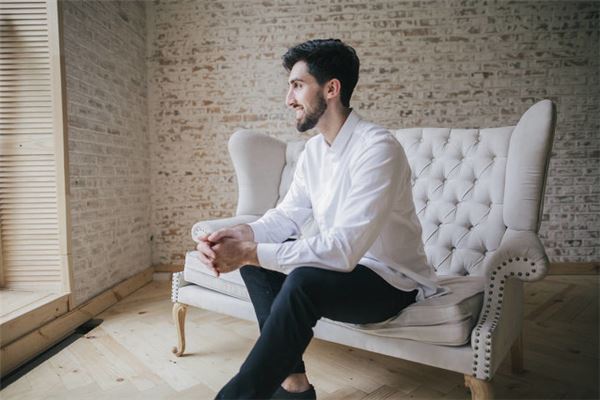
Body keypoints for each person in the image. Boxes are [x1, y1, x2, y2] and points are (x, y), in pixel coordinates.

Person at [196, 38, 444, 400]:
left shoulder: (378, 148)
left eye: (298, 85)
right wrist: (239, 235)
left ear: (331, 89)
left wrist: (249, 251)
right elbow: (287, 217)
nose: (289, 99)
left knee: (301, 281)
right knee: (257, 263)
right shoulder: (313, 151)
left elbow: (343, 250)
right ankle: (294, 386)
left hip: (390, 282)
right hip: (342, 272)